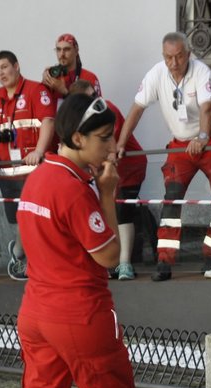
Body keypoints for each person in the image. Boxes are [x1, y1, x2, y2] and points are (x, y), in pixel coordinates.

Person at [1, 91, 191, 388]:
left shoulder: (39, 178)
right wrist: (107, 192)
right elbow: (107, 256)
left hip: (36, 311)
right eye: (104, 138)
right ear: (76, 137)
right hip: (80, 314)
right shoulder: (72, 186)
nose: (111, 147)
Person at [116, 33, 211, 282]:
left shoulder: (201, 71)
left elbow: (206, 107)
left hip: (210, 140)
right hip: (179, 145)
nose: (174, 63)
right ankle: (164, 260)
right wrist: (120, 143)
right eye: (169, 57)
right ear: (163, 56)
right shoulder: (156, 73)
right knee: (171, 200)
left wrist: (203, 137)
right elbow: (136, 109)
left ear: (188, 54)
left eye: (179, 56)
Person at [0, 50, 58, 281]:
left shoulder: (36, 90)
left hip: (34, 171)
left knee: (34, 219)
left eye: (5, 67)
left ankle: (30, 261)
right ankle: (19, 252)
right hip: (7, 173)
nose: (1, 73)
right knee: (18, 221)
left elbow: (48, 121)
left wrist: (39, 150)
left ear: (16, 66)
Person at [67, 81, 147, 281]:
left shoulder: (106, 109)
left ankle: (125, 263)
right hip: (107, 167)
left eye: (95, 94)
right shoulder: (82, 120)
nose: (96, 99)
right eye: (90, 97)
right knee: (109, 209)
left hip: (129, 166)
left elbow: (110, 144)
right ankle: (112, 260)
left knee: (123, 212)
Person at [40, 32, 99, 99]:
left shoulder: (90, 77)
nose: (62, 54)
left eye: (66, 49)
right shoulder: (52, 77)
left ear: (76, 51)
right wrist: (43, 85)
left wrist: (64, 91)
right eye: (58, 49)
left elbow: (97, 108)